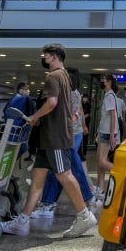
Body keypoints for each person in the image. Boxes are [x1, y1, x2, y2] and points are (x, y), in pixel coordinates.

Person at [0, 44, 97, 238]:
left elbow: (52, 103)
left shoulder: (53, 76)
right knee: (38, 178)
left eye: (45, 55)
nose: (43, 58)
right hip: (49, 137)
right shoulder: (66, 77)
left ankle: (84, 216)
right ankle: (23, 220)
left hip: (56, 137)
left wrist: (34, 116)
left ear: (53, 56)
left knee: (64, 175)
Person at [34, 68, 96, 218]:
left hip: (68, 136)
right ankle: (51, 202)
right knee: (65, 169)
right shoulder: (74, 93)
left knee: (62, 170)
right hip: (72, 134)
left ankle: (49, 204)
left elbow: (70, 115)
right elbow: (78, 113)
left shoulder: (69, 94)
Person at [94, 73, 122, 204]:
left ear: (109, 82)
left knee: (102, 161)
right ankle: (100, 188)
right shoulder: (108, 95)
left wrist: (112, 135)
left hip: (107, 133)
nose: (101, 82)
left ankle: (122, 173)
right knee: (99, 161)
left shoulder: (110, 96)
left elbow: (113, 116)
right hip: (103, 131)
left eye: (103, 80)